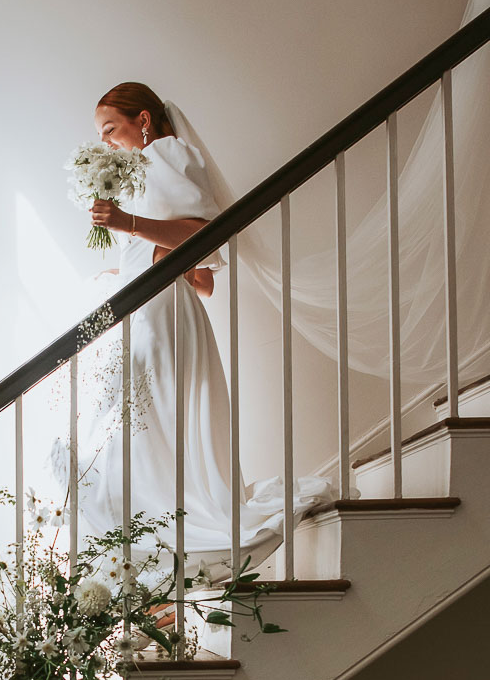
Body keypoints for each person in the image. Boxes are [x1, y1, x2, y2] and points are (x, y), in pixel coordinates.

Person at [66, 81, 333, 587]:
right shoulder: (142, 171)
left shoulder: (167, 153)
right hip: (148, 305)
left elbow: (202, 237)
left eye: (111, 129)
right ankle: (152, 564)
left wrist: (127, 223)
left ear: (143, 120)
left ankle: (156, 561)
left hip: (159, 312)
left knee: (136, 430)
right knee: (142, 431)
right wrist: (128, 268)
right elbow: (203, 279)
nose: (106, 143)